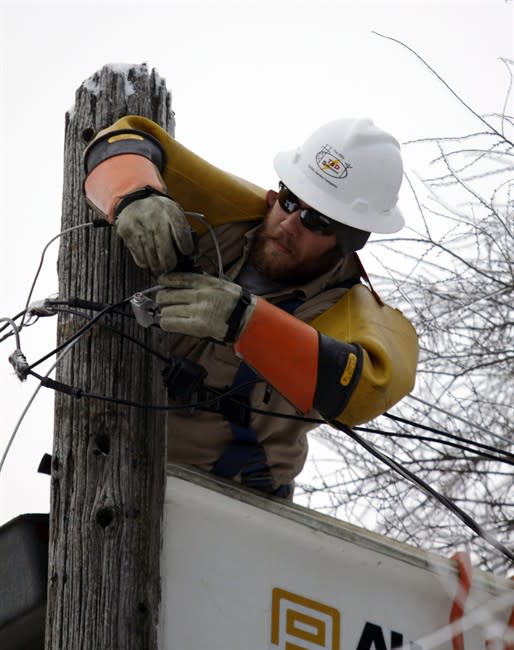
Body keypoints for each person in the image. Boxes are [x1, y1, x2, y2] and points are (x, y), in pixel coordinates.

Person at [83, 116, 418, 498]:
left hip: (233, 507)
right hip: (107, 471)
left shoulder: (355, 312)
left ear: (347, 242)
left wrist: (246, 322)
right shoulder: (234, 213)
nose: (289, 224)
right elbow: (125, 137)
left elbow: (369, 388)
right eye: (289, 201)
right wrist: (134, 195)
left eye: (316, 221)